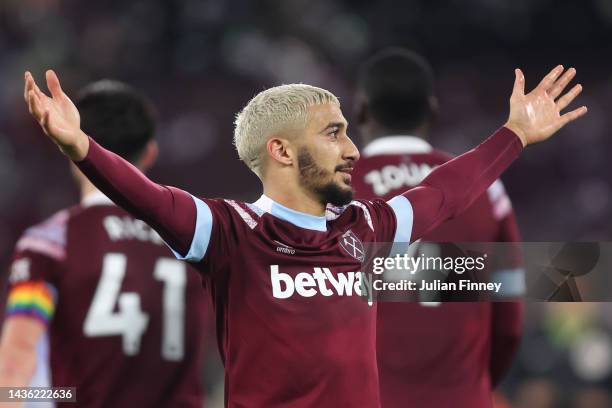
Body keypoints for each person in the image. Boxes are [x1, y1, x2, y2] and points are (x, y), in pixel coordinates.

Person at [22, 65, 585, 407]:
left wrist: (514, 134)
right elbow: (146, 196)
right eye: (334, 134)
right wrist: (82, 148)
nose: (353, 150)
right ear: (283, 151)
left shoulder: (364, 229)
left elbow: (445, 192)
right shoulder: (230, 234)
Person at [0, 81, 209, 407]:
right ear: (151, 152)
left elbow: (17, 364)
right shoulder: (195, 242)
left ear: (67, 145)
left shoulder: (51, 242)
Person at [352, 48, 526, 407]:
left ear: (362, 111)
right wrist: (478, 385)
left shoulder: (331, 191)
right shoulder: (485, 185)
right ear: (432, 110)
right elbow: (510, 306)